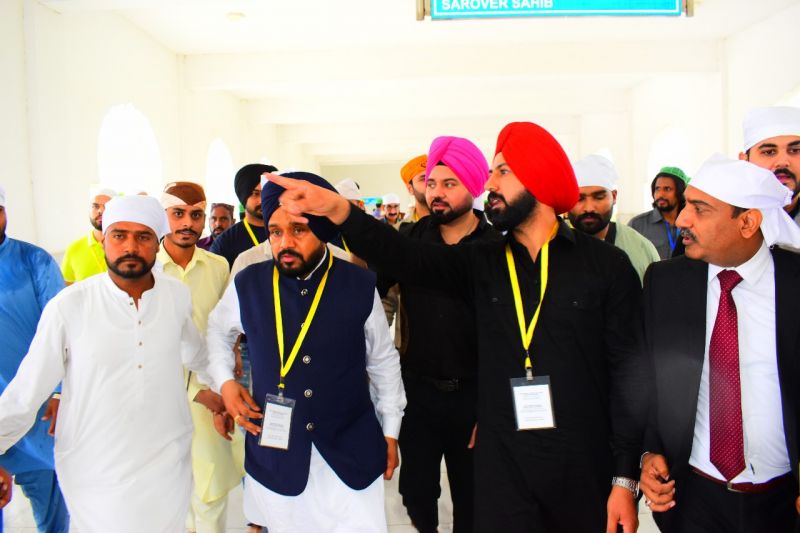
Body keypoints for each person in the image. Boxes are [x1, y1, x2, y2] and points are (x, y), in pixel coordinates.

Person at [268, 121, 649, 533]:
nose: (490, 183)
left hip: (581, 463)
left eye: (502, 172)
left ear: (537, 178)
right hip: (503, 464)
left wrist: (625, 479)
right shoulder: (483, 262)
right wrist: (338, 210)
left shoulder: (605, 267)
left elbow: (630, 376)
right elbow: (404, 256)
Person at [0, 195, 230, 533]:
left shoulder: (175, 296)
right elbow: (26, 391)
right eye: (119, 235)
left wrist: (226, 391)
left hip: (166, 460)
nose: (131, 247)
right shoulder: (69, 306)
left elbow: (195, 354)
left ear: (157, 243)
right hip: (95, 463)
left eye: (143, 237)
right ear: (104, 239)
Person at [207, 171, 406, 533]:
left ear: (323, 229)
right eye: (275, 231)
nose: (285, 242)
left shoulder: (359, 284)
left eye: (299, 230)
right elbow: (218, 331)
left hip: (350, 451)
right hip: (278, 454)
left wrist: (391, 429)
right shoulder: (248, 283)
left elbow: (382, 361)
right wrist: (225, 382)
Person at [639, 155, 800, 533]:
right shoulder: (666, 283)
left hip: (784, 501)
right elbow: (648, 379)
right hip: (694, 497)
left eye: (700, 209)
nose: (682, 220)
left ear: (747, 221)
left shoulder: (795, 283)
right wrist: (647, 454)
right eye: (686, 206)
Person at [389, 136, 501, 533]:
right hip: (417, 395)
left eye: (449, 184)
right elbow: (369, 294)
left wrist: (490, 405)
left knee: (473, 499)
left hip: (474, 397)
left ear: (474, 186)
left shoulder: (497, 248)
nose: (436, 193)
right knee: (416, 494)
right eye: (431, 183)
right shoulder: (411, 242)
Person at [157, 182, 244, 533]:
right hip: (159, 395)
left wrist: (226, 383)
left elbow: (226, 329)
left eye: (195, 215)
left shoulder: (218, 266)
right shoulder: (146, 270)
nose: (187, 224)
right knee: (169, 493)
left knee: (210, 492)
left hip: (213, 391)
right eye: (178, 214)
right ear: (163, 217)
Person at [0, 186, 69, 533]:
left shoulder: (34, 261)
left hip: (38, 416)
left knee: (56, 519)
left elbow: (63, 333)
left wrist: (59, 392)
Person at [568, 154, 660, 282]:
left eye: (599, 197)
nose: (589, 208)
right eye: (579, 199)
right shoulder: (551, 244)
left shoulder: (641, 249)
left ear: (614, 197)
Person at [739, 106, 800, 224]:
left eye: (795, 150)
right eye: (769, 152)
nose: (782, 162)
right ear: (745, 162)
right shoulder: (721, 221)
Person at [211, 164, 278, 268]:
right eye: (256, 194)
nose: (262, 200)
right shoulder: (225, 243)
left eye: (267, 192)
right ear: (243, 196)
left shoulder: (288, 231)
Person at [628, 167, 689, 259]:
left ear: (680, 192)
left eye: (667, 189)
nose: (660, 194)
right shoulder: (637, 224)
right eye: (657, 189)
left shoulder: (690, 223)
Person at [60, 185, 116, 284]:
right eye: (95, 206)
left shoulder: (129, 246)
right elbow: (66, 289)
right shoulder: (74, 249)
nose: (100, 211)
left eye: (107, 206)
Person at [400, 154, 430, 222]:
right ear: (410, 189)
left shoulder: (455, 224)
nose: (431, 183)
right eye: (423, 179)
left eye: (433, 178)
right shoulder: (401, 230)